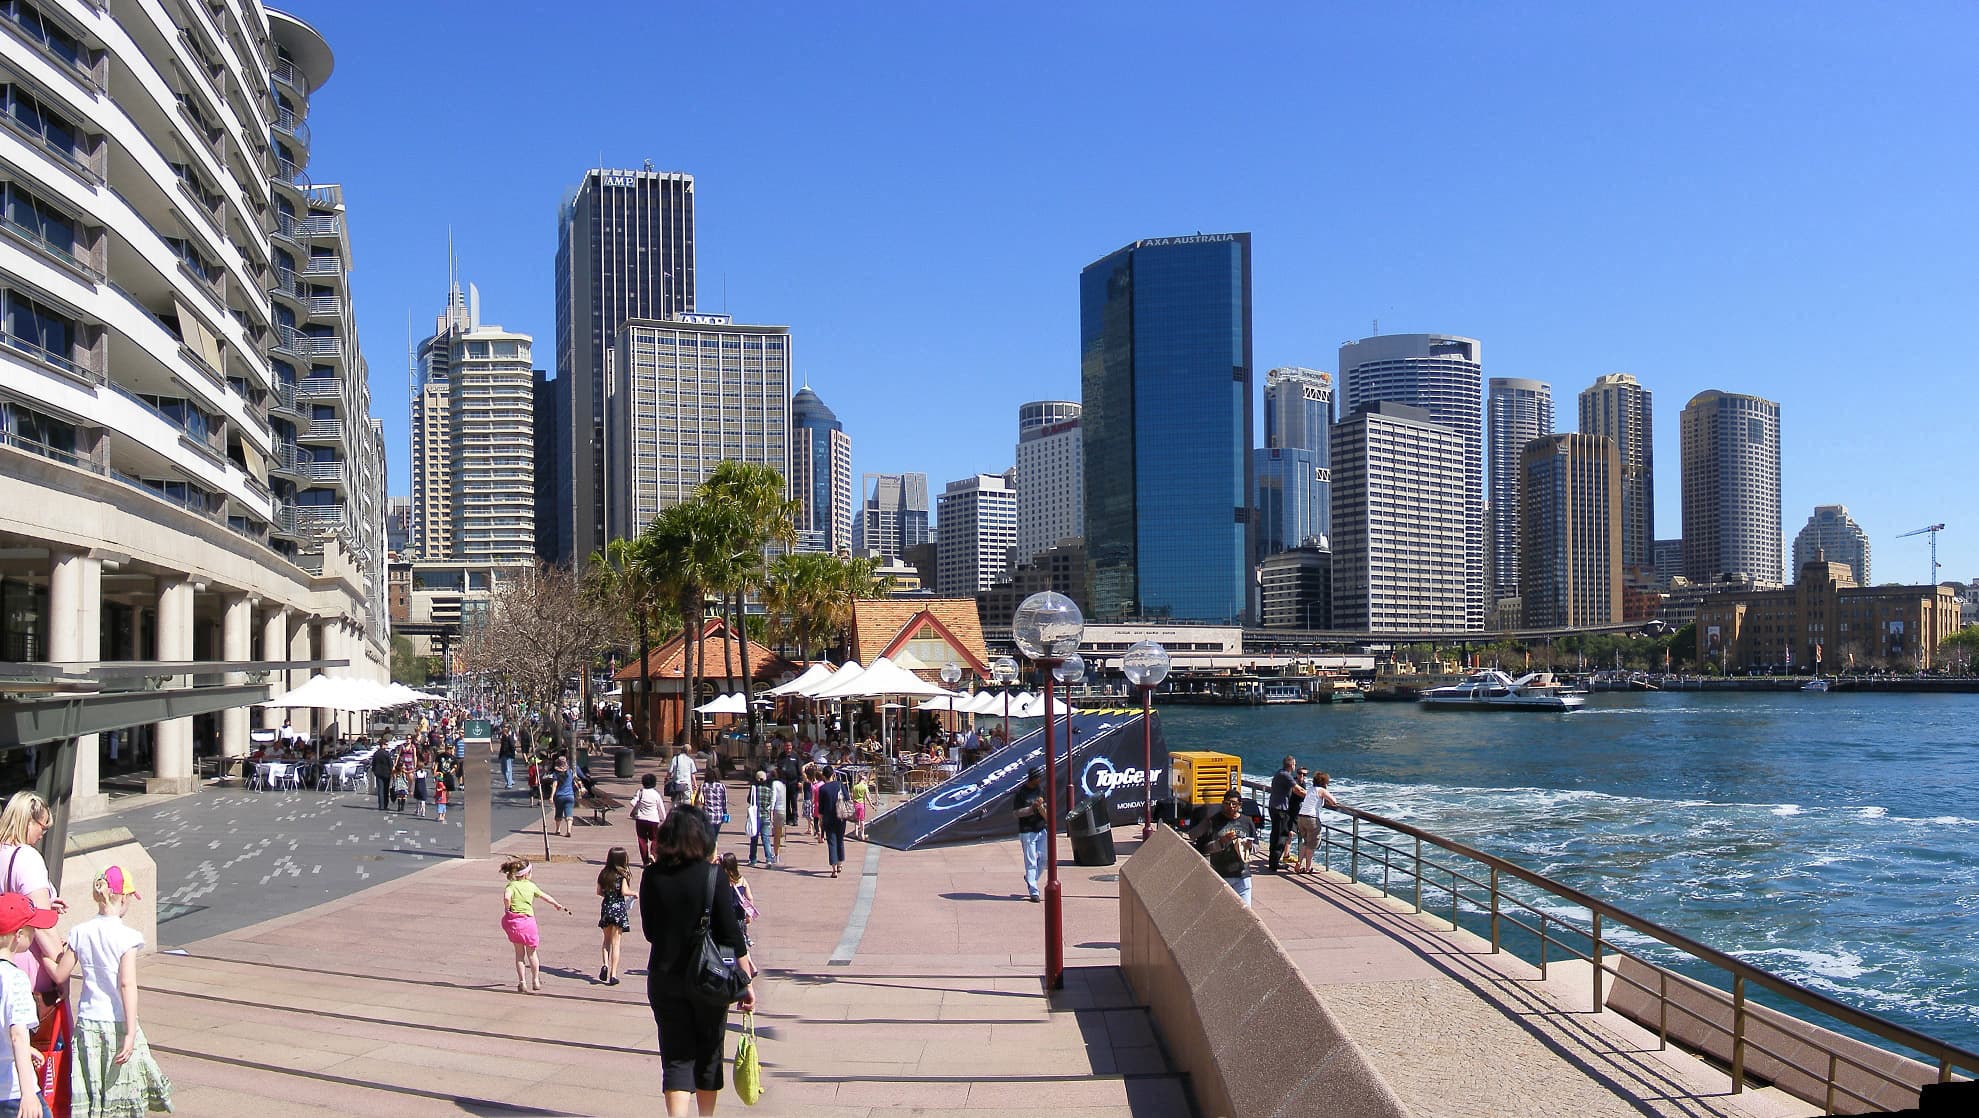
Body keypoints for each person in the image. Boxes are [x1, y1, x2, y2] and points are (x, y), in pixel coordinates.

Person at [640, 808, 756, 1116]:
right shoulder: (713, 875)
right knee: (708, 1054)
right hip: (710, 979)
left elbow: (650, 932)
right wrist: (745, 981)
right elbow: (731, 934)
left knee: (676, 1058)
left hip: (665, 977)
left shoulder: (651, 875)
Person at [66, 866, 172, 1116]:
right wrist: (131, 1031)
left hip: (88, 1023)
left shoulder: (79, 932)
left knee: (94, 1088)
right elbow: (127, 984)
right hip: (116, 1022)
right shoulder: (128, 936)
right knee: (121, 1090)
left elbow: (60, 973)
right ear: (123, 898)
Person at [0, 793, 73, 1107]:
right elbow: (41, 927)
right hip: (30, 973)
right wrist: (61, 967)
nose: (44, 833)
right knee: (41, 1055)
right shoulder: (27, 858)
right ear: (28, 821)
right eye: (43, 826)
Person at [0, 893, 53, 1118]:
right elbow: (17, 1034)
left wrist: (25, 1049)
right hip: (14, 1090)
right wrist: (28, 1093)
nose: (34, 933)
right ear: (18, 936)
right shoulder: (16, 979)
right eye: (32, 929)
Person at [499, 857, 571, 994]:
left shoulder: (511, 886)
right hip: (528, 922)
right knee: (532, 954)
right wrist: (556, 904)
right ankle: (536, 980)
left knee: (519, 954)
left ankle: (522, 982)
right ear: (526, 874)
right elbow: (545, 896)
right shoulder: (531, 886)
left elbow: (507, 897)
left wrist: (508, 909)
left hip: (515, 923)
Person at [1191, 790, 1259, 906]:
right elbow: (1203, 848)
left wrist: (1250, 846)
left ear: (1240, 805)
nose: (1230, 807)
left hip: (1243, 875)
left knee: (1245, 913)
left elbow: (1256, 846)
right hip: (1221, 875)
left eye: (1234, 804)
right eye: (1227, 803)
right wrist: (1221, 842)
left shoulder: (1247, 822)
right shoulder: (1213, 821)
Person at [596, 847, 635, 986]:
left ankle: (605, 964)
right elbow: (624, 891)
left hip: (606, 907)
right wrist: (634, 893)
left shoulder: (604, 874)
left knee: (606, 941)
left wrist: (608, 895)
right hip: (618, 909)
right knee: (616, 943)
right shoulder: (622, 875)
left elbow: (599, 892)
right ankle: (613, 974)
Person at [1294, 772, 1341, 874]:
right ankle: (1308, 868)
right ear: (1324, 783)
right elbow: (1334, 801)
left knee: (1305, 842)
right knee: (1312, 844)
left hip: (1301, 817)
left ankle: (1299, 863)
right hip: (1312, 819)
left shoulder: (1310, 789)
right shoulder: (1321, 790)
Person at [1012, 768, 1047, 903]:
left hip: (1041, 828)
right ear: (1032, 779)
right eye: (1038, 778)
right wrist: (1031, 809)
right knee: (1031, 861)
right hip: (1027, 830)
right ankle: (1034, 891)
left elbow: (1045, 809)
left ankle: (1031, 879)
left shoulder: (1041, 789)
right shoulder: (1021, 793)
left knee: (1044, 858)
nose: (1040, 780)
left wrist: (1041, 808)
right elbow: (1016, 813)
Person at [815, 766, 849, 878]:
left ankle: (834, 869)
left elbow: (821, 809)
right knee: (840, 840)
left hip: (828, 818)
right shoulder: (840, 784)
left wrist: (820, 821)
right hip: (841, 816)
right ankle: (840, 864)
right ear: (833, 774)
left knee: (832, 842)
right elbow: (848, 798)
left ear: (824, 776)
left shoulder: (823, 789)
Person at [1265, 755, 1296, 875]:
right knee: (1281, 836)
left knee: (1275, 835)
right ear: (1291, 765)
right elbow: (1297, 789)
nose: (1295, 766)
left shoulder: (1280, 773)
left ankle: (1274, 861)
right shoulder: (1286, 775)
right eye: (1294, 764)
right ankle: (1274, 863)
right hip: (1280, 811)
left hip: (1274, 808)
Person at [630, 774, 666, 867]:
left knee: (642, 839)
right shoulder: (656, 794)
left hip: (641, 819)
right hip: (653, 819)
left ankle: (645, 861)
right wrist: (663, 818)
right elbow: (660, 808)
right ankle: (653, 854)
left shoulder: (640, 792)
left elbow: (632, 803)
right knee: (655, 838)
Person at [720, 853, 758, 926]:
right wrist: (748, 916)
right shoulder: (742, 880)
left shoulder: (720, 881)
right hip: (739, 916)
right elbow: (750, 898)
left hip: (723, 917)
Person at [696, 764, 727, 844]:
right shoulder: (722, 786)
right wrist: (725, 813)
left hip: (707, 815)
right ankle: (713, 853)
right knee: (715, 836)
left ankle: (708, 852)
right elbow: (724, 802)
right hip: (718, 815)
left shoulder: (703, 786)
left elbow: (698, 800)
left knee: (707, 836)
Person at [744, 773, 769, 867]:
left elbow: (749, 800)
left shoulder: (754, 789)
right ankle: (769, 859)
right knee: (765, 838)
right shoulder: (768, 790)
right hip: (765, 816)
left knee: (754, 839)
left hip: (755, 817)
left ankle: (753, 860)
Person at [551, 756, 579, 839]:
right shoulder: (570, 772)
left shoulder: (555, 774)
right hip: (570, 795)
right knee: (569, 813)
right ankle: (569, 830)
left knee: (558, 812)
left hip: (559, 796)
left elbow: (554, 785)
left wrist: (551, 796)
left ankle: (558, 829)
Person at [775, 744, 802, 828]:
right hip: (784, 782)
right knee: (785, 801)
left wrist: (800, 781)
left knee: (793, 801)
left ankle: (795, 818)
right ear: (784, 746)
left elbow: (799, 768)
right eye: (787, 746)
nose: (788, 748)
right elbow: (778, 768)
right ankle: (788, 818)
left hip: (794, 782)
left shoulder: (795, 756)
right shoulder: (781, 756)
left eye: (790, 746)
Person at [767, 771, 789, 867]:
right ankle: (779, 850)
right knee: (781, 832)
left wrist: (771, 811)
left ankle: (777, 855)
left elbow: (773, 797)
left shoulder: (775, 784)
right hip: (786, 810)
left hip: (778, 810)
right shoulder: (787, 784)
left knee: (776, 835)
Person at [370, 741, 396, 810]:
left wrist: (374, 771)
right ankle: (385, 805)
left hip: (378, 773)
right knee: (386, 789)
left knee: (380, 789)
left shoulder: (376, 753)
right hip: (386, 773)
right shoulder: (387, 754)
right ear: (383, 745)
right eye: (386, 745)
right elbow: (390, 764)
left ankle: (381, 805)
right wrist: (392, 772)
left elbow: (373, 763)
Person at [849, 771, 872, 842]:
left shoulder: (855, 786)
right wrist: (871, 804)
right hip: (861, 805)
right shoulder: (864, 787)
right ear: (863, 779)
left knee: (856, 819)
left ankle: (856, 833)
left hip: (855, 804)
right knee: (862, 820)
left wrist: (853, 801)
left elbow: (851, 796)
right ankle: (862, 834)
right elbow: (867, 797)